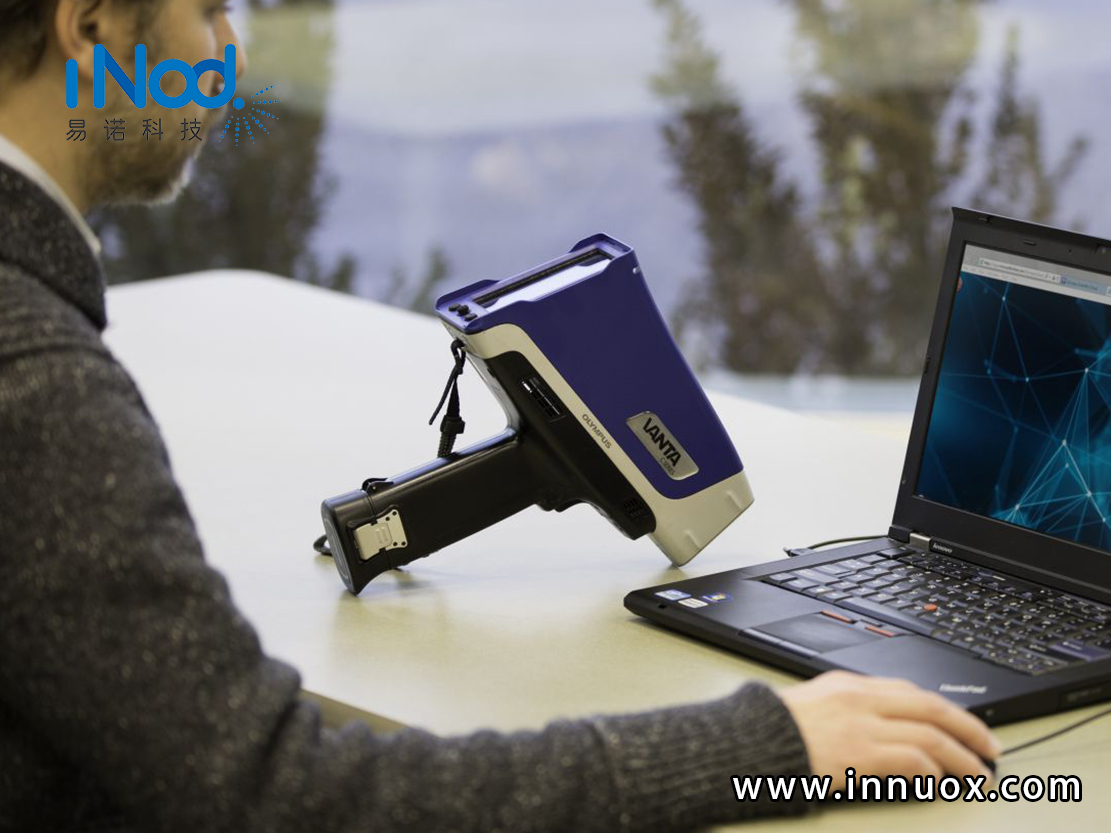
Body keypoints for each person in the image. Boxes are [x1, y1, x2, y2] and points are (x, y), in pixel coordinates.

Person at [0, 1, 1001, 830]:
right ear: (89, 28)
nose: (233, 54)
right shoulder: (42, 384)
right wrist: (764, 744)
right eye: (211, 12)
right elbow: (282, 793)